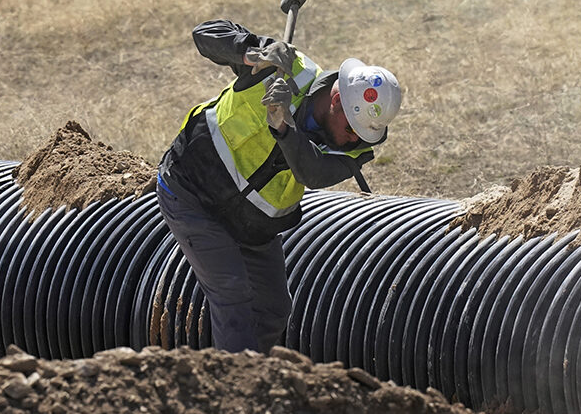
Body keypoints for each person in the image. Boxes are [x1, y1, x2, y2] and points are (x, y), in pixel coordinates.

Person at [155, 19, 401, 353]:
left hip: (253, 228)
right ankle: (235, 391)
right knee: (232, 294)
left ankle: (248, 374)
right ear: (337, 99)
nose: (356, 137)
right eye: (353, 126)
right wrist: (251, 55)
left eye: (365, 132)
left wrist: (284, 127)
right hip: (193, 193)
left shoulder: (353, 150)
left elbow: (312, 173)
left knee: (273, 308)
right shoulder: (287, 67)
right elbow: (205, 34)